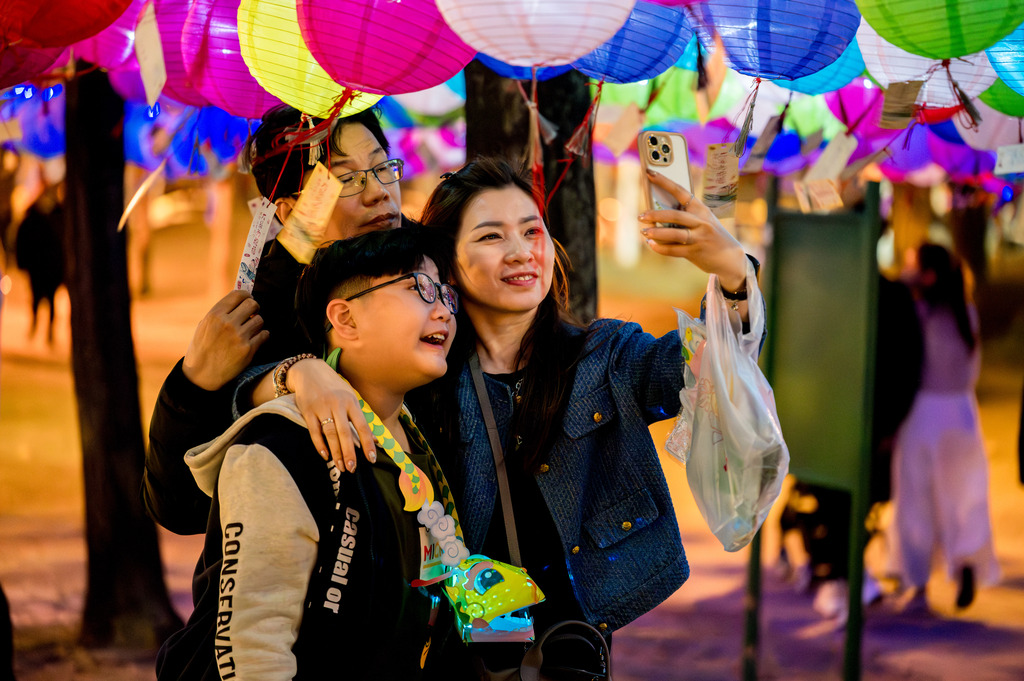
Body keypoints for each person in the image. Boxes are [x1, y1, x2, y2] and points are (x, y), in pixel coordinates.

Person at [249, 157, 761, 670]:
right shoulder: (420, 372)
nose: (521, 252)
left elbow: (710, 366)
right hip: (449, 655)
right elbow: (261, 394)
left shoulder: (605, 356)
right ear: (448, 265)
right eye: (492, 236)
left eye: (531, 231)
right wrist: (298, 371)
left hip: (568, 650)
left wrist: (734, 274)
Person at [156, 228, 471, 680]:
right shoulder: (282, 447)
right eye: (418, 288)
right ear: (345, 320)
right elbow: (255, 648)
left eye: (444, 293)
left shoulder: (414, 439)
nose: (442, 310)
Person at [142, 104, 393, 534]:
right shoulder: (260, 324)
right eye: (347, 178)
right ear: (291, 212)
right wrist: (193, 384)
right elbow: (178, 506)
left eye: (383, 167)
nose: (378, 192)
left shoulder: (437, 282)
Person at [888, 243, 999, 612]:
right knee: (964, 494)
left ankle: (917, 578)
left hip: (924, 410)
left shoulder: (920, 312)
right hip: (962, 413)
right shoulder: (966, 312)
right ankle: (965, 559)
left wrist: (904, 283)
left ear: (928, 274)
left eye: (912, 265)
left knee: (916, 497)